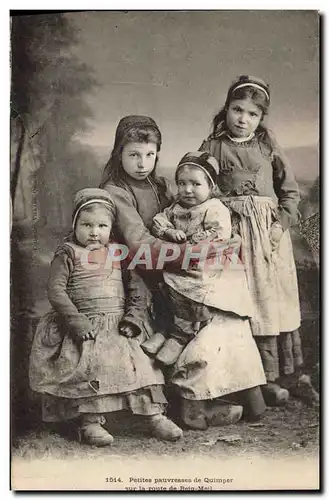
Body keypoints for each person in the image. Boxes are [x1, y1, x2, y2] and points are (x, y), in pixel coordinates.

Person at [101, 116, 266, 428]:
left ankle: (237, 393)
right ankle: (192, 405)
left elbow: (191, 218)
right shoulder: (116, 192)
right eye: (134, 155)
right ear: (118, 153)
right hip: (141, 269)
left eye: (150, 155)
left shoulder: (161, 185)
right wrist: (191, 254)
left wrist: (219, 244)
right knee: (203, 320)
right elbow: (140, 243)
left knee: (230, 317)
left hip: (177, 266)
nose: (142, 164)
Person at [199, 75, 319, 407]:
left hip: (268, 238)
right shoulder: (212, 147)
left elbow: (290, 193)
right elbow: (198, 185)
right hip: (231, 236)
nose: (242, 119)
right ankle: (253, 379)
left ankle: (290, 377)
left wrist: (279, 226)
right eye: (237, 110)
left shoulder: (268, 147)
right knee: (243, 303)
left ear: (261, 118)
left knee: (273, 302)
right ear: (226, 109)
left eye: (252, 114)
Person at [29, 188, 183, 446]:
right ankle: (89, 422)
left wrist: (134, 317)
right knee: (92, 366)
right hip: (85, 323)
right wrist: (76, 321)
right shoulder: (68, 252)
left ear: (111, 228)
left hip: (119, 323)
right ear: (74, 224)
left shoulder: (117, 252)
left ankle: (155, 417)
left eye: (102, 225)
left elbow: (137, 287)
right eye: (86, 225)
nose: (94, 232)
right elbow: (56, 291)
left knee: (141, 368)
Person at [142, 151, 255, 367]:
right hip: (179, 263)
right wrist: (168, 232)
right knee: (164, 290)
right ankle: (166, 329)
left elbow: (219, 235)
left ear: (211, 187)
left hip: (206, 265)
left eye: (195, 184)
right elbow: (159, 221)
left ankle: (180, 336)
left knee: (191, 296)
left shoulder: (213, 208)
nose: (187, 190)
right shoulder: (176, 208)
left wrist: (194, 246)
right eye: (182, 183)